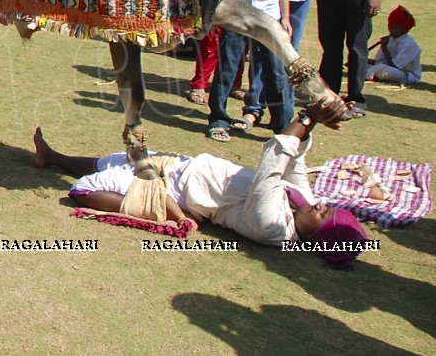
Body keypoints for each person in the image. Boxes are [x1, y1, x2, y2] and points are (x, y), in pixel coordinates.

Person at [34, 97, 370, 266]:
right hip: (185, 168)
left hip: (177, 192)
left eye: (323, 215)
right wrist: (317, 120)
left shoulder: (274, 225)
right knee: (112, 160)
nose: (321, 205)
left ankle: (138, 204)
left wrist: (307, 116)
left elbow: (273, 161)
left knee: (85, 189)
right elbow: (295, 159)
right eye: (328, 208)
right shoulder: (301, 202)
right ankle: (51, 157)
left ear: (314, 236)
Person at [206, 0, 293, 141]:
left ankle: (282, 126)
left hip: (268, 14)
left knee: (275, 71)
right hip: (237, 13)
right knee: (227, 67)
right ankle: (218, 119)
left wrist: (286, 17)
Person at [366, 6, 422, 85]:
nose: (392, 31)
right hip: (387, 67)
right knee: (363, 64)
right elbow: (380, 61)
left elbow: (395, 66)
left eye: (396, 28)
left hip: (406, 75)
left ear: (404, 28)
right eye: (390, 27)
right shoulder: (390, 40)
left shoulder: (409, 44)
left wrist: (384, 47)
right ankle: (367, 72)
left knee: (380, 69)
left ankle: (367, 74)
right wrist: (365, 60)